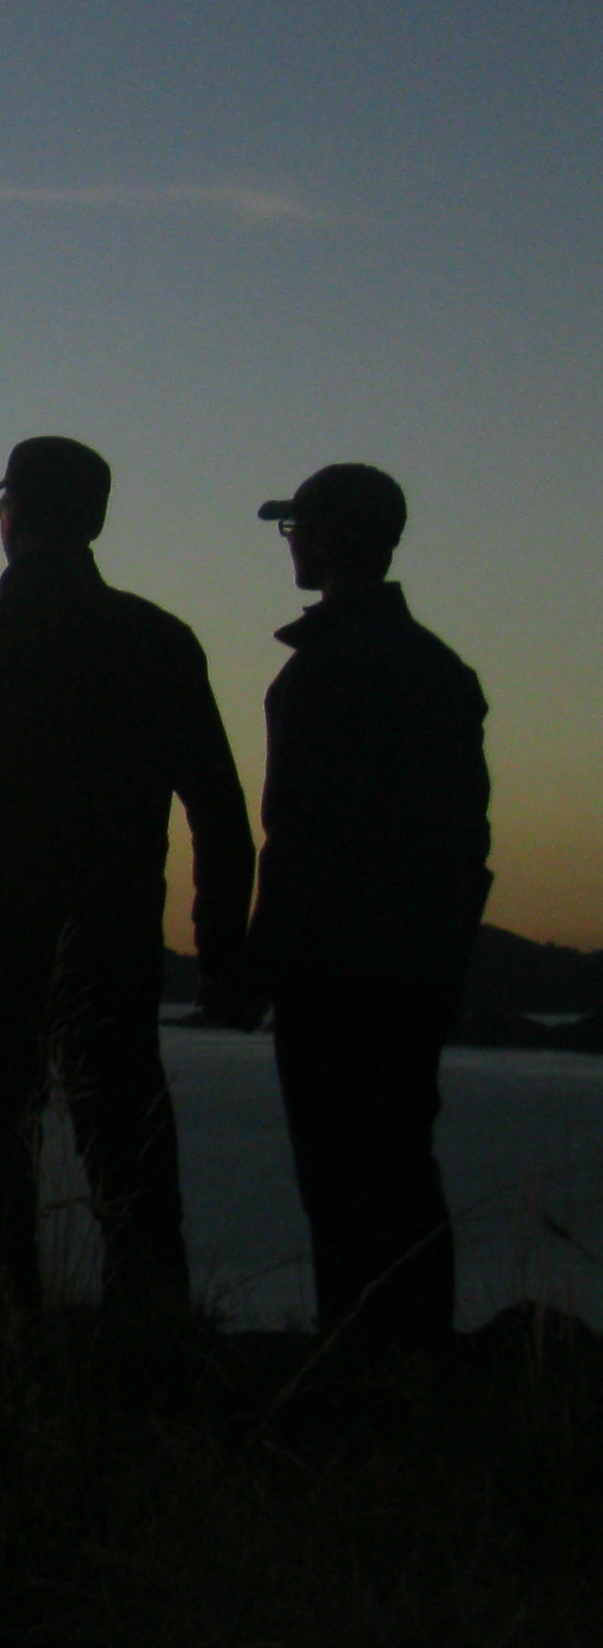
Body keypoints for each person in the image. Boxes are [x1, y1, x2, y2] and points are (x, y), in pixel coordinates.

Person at [0, 436, 254, 1312]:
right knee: (130, 1157)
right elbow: (219, 811)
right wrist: (221, 956)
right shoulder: (159, 641)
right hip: (116, 943)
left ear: (16, 517)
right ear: (93, 522)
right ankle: (153, 1337)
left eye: (1, 507)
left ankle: (0, 1350)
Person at [249, 463, 492, 1350]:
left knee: (340, 1177)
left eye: (298, 529)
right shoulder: (442, 672)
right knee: (399, 1166)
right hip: (417, 967)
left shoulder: (319, 677)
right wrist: (448, 959)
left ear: (328, 539)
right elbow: (468, 844)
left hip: (333, 970)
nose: (293, 545)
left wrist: (258, 970)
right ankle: (415, 1361)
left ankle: (361, 1367)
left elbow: (298, 842)